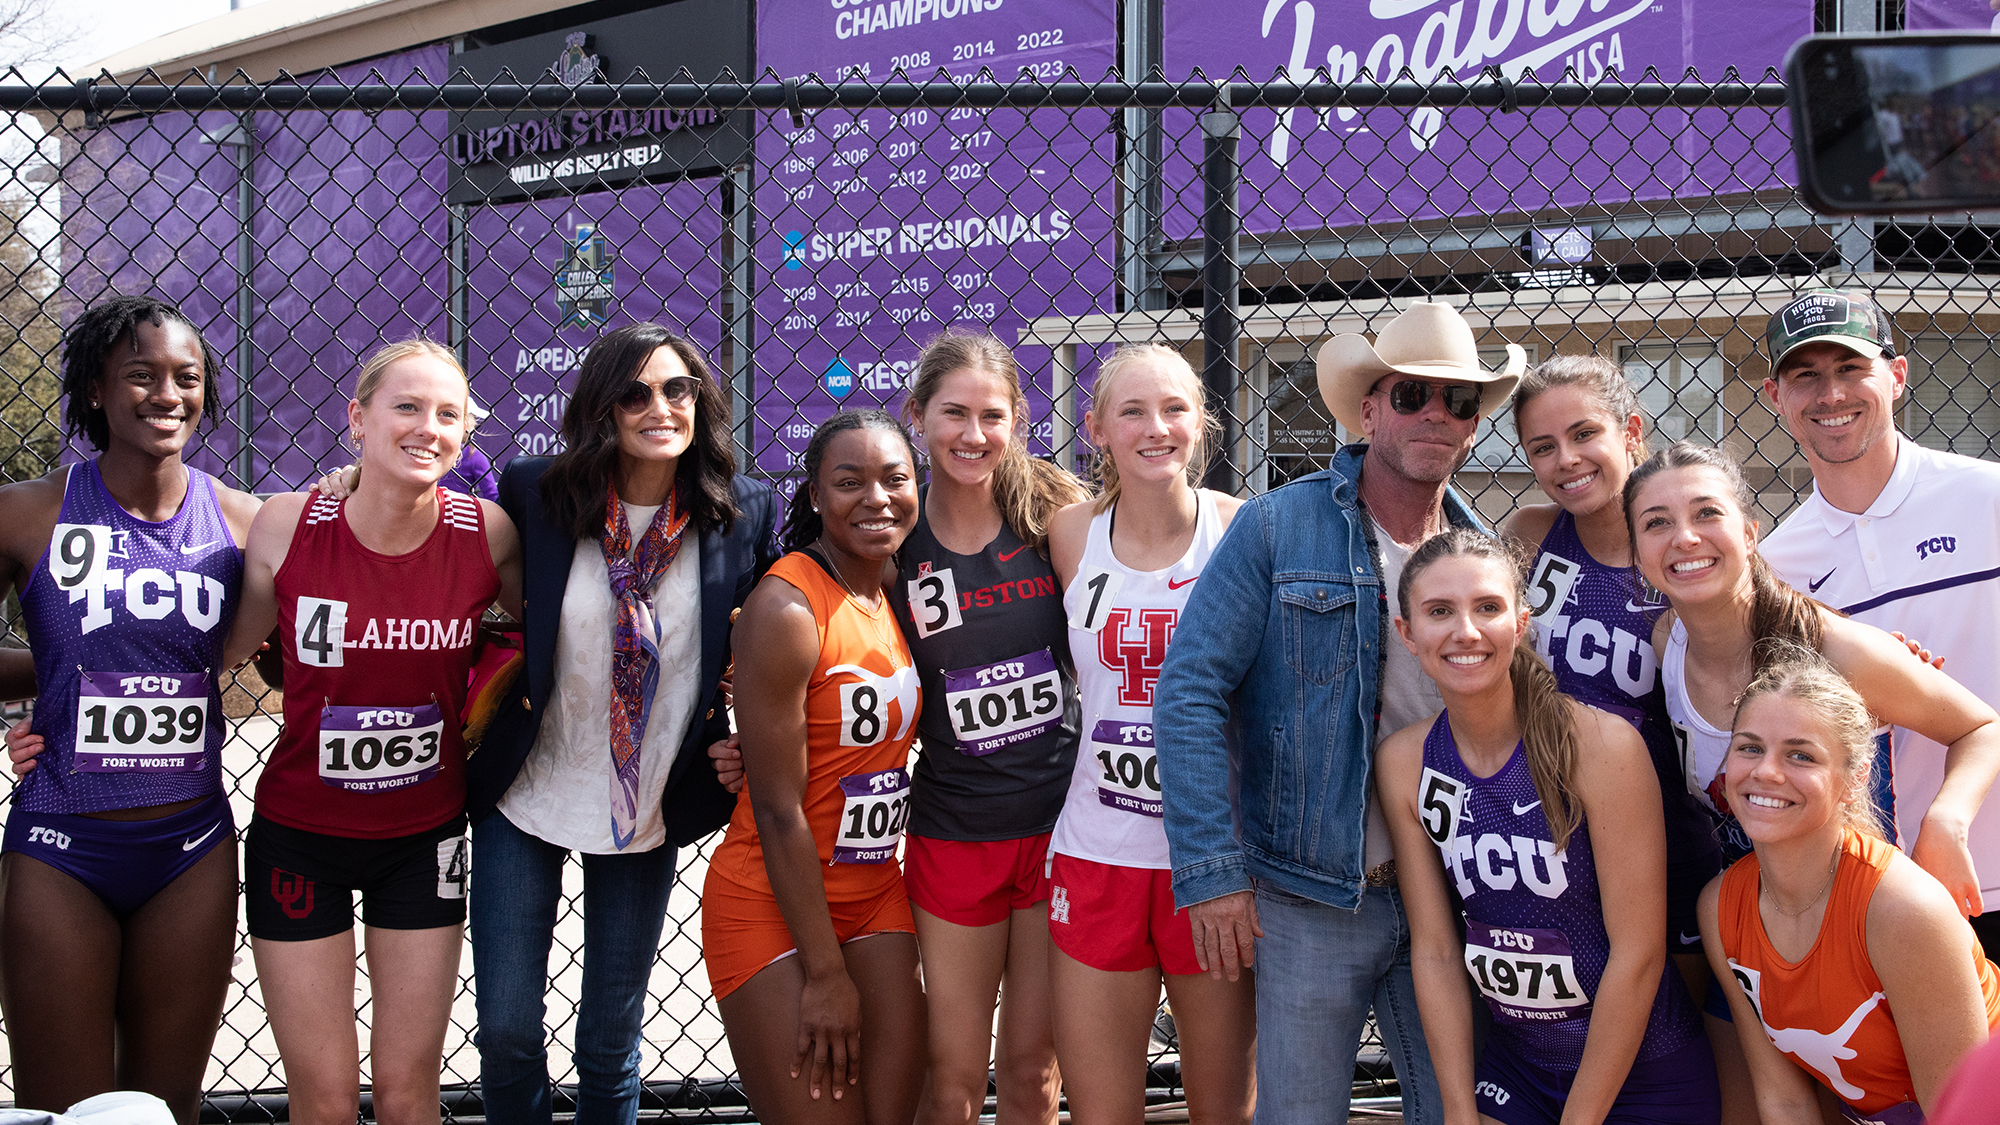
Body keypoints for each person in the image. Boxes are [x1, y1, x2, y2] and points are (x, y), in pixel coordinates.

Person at [1155, 298, 1523, 1125]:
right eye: (1411, 395)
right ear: (1367, 409)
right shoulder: (1279, 526)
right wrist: (1211, 872)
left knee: (1457, 1110)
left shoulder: (1482, 551)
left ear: (1473, 426)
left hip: (1451, 885)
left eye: (1458, 401)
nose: (1436, 414)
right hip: (1310, 890)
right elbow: (1189, 689)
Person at [470, 324, 776, 1125]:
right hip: (529, 782)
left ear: (700, 399)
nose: (659, 407)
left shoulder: (741, 510)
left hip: (648, 796)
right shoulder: (537, 491)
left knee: (610, 1036)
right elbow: (439, 517)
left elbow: (779, 630)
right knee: (505, 1029)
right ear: (602, 404)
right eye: (635, 391)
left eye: (676, 388)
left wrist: (755, 736)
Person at [223, 339, 523, 1125]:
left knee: (404, 1093)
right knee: (321, 1099)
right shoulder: (289, 523)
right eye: (407, 406)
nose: (429, 427)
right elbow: (215, 654)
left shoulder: (487, 533)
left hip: (423, 839)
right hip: (298, 835)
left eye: (449, 414)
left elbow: (560, 632)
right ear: (357, 420)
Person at [0, 295, 259, 1124]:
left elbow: (286, 665)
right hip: (59, 844)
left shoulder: (244, 523)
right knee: (63, 1111)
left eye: (187, 378)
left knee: (159, 1110)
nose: (167, 395)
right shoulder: (29, 512)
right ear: (95, 393)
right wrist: (57, 682)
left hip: (188, 848)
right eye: (140, 377)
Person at [1379, 528, 1718, 1125]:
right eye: (1439, 612)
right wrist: (1458, 1113)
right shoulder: (1407, 763)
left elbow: (1638, 955)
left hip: (1644, 1071)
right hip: (1518, 1071)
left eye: (1488, 607)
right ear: (1406, 632)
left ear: (1522, 622)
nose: (1466, 631)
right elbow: (1434, 951)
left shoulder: (1603, 748)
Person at [1042, 343, 1253, 1125]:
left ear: (1201, 422)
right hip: (1099, 853)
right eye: (1131, 409)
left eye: (1172, 408)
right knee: (1101, 1112)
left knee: (1223, 1111)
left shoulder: (1239, 528)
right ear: (1096, 428)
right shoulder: (1069, 534)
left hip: (1209, 859)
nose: (1154, 426)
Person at [1754, 288, 2000, 954]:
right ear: (1777, 396)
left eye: (1850, 368)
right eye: (1806, 375)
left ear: (1895, 375)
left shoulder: (1988, 498)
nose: (1830, 393)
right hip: (1891, 895)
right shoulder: (1776, 565)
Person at [701, 409, 928, 1125]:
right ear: (815, 495)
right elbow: (776, 806)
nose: (876, 498)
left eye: (895, 478)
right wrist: (825, 974)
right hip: (770, 899)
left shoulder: (891, 585)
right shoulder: (789, 605)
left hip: (874, 891)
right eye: (849, 481)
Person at [887, 331, 1087, 1125]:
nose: (973, 434)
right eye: (954, 414)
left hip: (1057, 825)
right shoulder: (894, 533)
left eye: (992, 415)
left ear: (1017, 420)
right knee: (954, 1071)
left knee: (1037, 1067)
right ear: (917, 416)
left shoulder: (1056, 513)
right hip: (955, 830)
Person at [1699, 643, 2000, 1123]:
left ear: (1854, 778)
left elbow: (1961, 1116)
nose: (1766, 771)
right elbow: (1784, 1100)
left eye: (1801, 756)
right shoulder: (1720, 907)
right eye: (1750, 747)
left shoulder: (1903, 911)